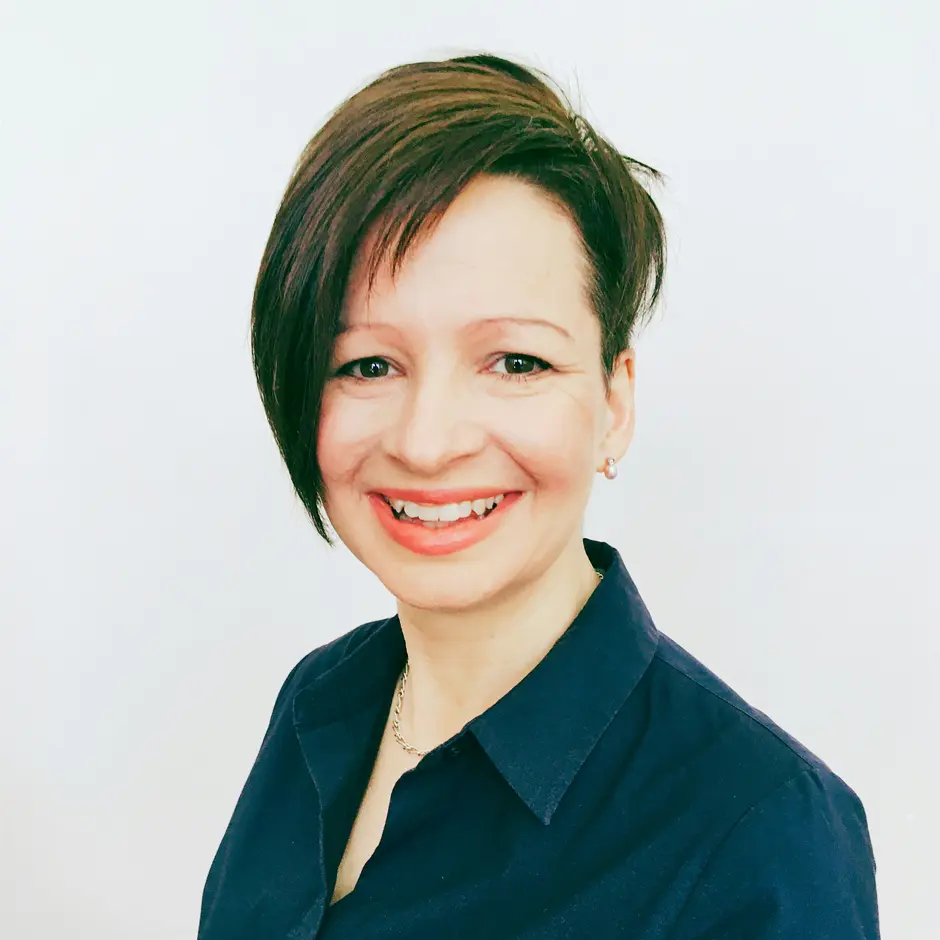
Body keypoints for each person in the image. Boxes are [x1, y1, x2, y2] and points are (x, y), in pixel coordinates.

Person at [197, 53, 880, 939]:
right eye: (368, 364)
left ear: (613, 403)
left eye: (516, 362)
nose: (427, 441)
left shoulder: (762, 830)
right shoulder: (320, 704)